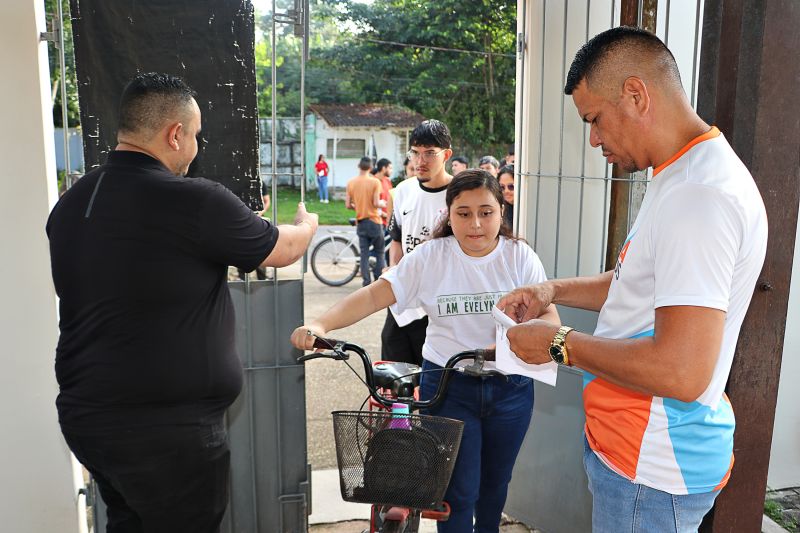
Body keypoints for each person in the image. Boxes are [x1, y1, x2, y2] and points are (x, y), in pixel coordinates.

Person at [497, 26, 768, 532]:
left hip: (653, 466)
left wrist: (558, 343)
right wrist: (552, 290)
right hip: (640, 453)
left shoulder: (697, 198)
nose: (594, 139)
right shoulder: (681, 174)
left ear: (636, 94)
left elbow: (681, 371)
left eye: (594, 119)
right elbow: (635, 283)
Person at [46, 72, 318, 533]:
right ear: (175, 134)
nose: (196, 146)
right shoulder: (195, 201)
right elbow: (283, 249)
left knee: (129, 523)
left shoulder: (72, 204)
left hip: (89, 419)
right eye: (195, 135)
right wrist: (307, 224)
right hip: (166, 432)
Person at [292, 170, 559, 533]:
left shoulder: (519, 257)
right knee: (456, 492)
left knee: (495, 485)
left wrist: (518, 343)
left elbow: (550, 318)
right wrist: (321, 324)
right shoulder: (431, 256)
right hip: (449, 387)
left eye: (486, 212)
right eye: (463, 213)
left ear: (501, 211)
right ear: (449, 214)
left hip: (510, 387)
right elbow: (375, 294)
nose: (475, 224)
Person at [381, 119, 453, 365]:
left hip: (438, 304)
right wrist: (394, 269)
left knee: (432, 376)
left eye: (430, 153)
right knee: (394, 372)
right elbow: (397, 239)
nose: (420, 161)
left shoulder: (459, 194)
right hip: (403, 300)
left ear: (447, 155)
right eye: (415, 152)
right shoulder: (403, 190)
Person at [346, 156, 385, 286]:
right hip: (374, 221)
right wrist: (384, 203)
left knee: (364, 254)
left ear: (359, 166)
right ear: (371, 167)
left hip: (361, 222)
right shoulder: (375, 182)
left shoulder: (351, 182)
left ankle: (366, 282)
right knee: (379, 252)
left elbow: (348, 205)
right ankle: (378, 282)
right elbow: (376, 203)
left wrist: (358, 206)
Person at [497, 164, 515, 230]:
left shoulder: (527, 210)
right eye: (502, 187)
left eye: (511, 186)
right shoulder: (499, 208)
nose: (506, 191)